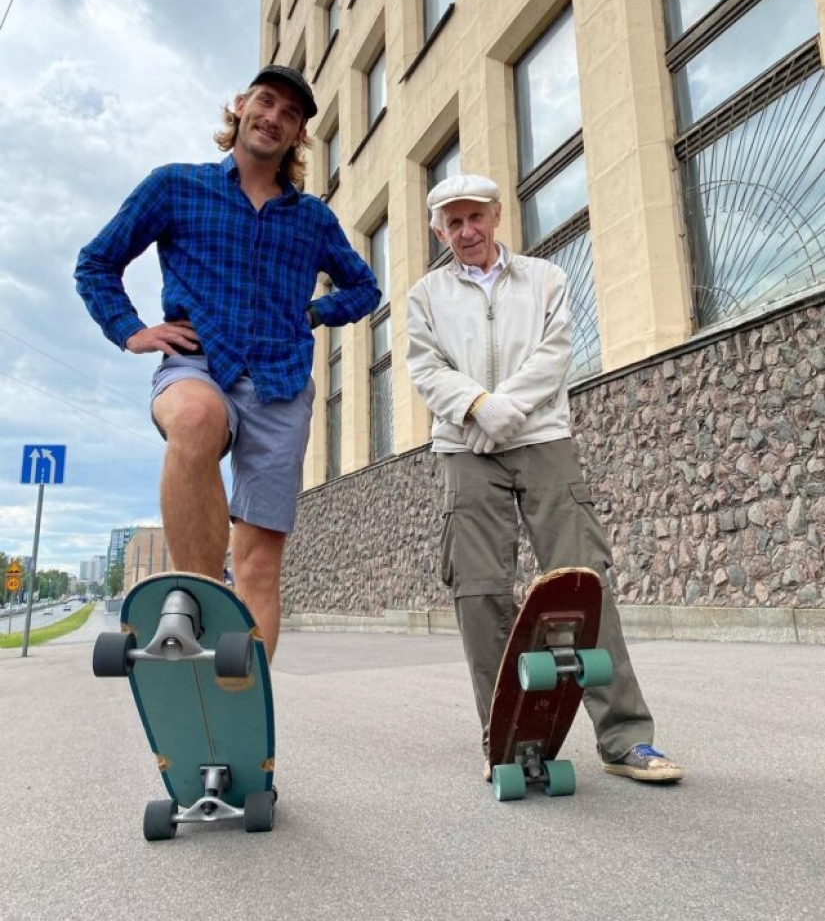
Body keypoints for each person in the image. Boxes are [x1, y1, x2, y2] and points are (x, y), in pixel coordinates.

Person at [76, 65, 380, 662]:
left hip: (280, 384)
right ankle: (201, 604)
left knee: (259, 563)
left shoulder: (312, 218)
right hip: (197, 364)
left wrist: (313, 313)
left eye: (290, 114)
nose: (273, 117)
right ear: (241, 106)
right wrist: (131, 330)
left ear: (298, 135)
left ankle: (241, 694)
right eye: (265, 102)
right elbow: (96, 263)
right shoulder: (176, 186)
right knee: (195, 419)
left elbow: (365, 288)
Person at [406, 173, 683, 784]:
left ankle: (625, 739)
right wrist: (478, 409)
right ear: (439, 232)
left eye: (475, 217)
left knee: (583, 581)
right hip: (466, 447)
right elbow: (426, 370)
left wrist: (502, 410)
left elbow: (553, 355)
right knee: (479, 590)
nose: (467, 231)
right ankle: (503, 737)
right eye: (453, 223)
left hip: (543, 437)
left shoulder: (546, 278)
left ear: (496, 216)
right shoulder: (425, 296)